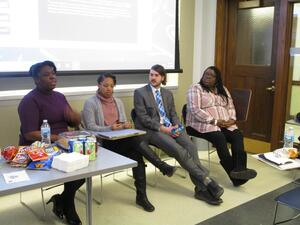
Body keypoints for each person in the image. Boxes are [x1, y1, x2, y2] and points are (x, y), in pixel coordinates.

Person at [82, 73, 176, 212]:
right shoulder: (90, 102)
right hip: (104, 144)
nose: (109, 89)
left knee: (136, 152)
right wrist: (110, 128)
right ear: (98, 85)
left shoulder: (118, 102)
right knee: (137, 147)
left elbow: (124, 121)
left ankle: (142, 196)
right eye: (105, 85)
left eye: (112, 86)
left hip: (122, 140)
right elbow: (90, 127)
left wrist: (125, 125)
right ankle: (161, 167)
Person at [133, 64, 224, 205]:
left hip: (171, 127)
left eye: (156, 75)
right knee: (179, 150)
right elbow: (143, 118)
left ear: (162, 77)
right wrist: (164, 129)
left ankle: (201, 188)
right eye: (151, 74)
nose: (153, 77)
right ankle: (207, 181)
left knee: (191, 147)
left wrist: (177, 126)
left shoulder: (167, 94)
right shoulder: (140, 93)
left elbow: (173, 114)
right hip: (152, 130)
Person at [18, 60, 84, 225]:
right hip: (40, 147)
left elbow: (71, 121)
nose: (52, 77)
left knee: (84, 169)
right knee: (74, 169)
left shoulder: (60, 97)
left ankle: (61, 199)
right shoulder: (29, 101)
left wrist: (76, 120)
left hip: (63, 143)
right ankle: (69, 207)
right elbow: (29, 133)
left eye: (53, 73)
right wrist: (57, 138)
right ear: (36, 79)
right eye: (47, 75)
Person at [186, 66, 257, 187]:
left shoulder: (223, 89)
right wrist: (215, 121)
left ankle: (240, 169)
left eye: (211, 75)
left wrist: (232, 120)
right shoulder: (195, 88)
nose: (207, 76)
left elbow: (230, 106)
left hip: (224, 124)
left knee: (237, 135)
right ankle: (235, 177)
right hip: (200, 125)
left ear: (217, 79)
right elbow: (194, 110)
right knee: (219, 138)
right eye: (206, 74)